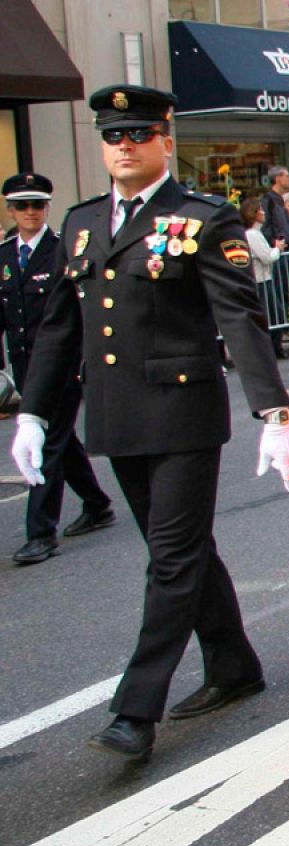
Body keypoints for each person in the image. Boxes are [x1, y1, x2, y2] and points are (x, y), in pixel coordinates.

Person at [8, 85, 289, 760]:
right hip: (117, 418)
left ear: (166, 140)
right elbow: (58, 329)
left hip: (182, 416)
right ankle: (234, 666)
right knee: (184, 552)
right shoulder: (83, 224)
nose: (125, 147)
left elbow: (239, 317)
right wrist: (31, 411)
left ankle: (134, 711)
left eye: (139, 134)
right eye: (114, 136)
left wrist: (274, 410)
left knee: (170, 560)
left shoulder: (202, 217)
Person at [2, 172, 115, 565]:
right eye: (22, 206)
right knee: (63, 443)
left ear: (47, 207)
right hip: (24, 367)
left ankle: (40, 533)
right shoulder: (3, 256)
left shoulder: (63, 249)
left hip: (62, 368)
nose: (30, 212)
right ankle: (97, 504)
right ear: (11, 210)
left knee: (47, 444)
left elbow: (74, 314)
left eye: (37, 205)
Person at [241, 197, 289, 360]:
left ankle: (275, 347)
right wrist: (277, 249)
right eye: (260, 210)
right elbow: (267, 257)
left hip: (264, 278)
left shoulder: (255, 233)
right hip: (260, 280)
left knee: (275, 315)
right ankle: (272, 348)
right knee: (274, 315)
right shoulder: (252, 234)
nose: (263, 212)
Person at [260, 165, 289, 249]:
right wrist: (274, 243)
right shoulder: (268, 200)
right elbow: (265, 226)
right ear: (278, 179)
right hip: (278, 252)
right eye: (287, 176)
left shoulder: (280, 201)